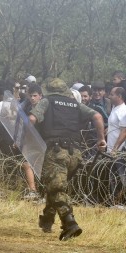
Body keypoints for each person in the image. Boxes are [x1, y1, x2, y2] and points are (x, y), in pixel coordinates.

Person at [29, 78, 106, 241]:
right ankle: (47, 219)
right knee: (55, 185)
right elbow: (98, 117)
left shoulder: (46, 101)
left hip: (56, 152)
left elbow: (32, 119)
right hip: (75, 154)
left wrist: (23, 139)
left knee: (57, 189)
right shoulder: (75, 104)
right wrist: (101, 140)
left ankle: (69, 223)